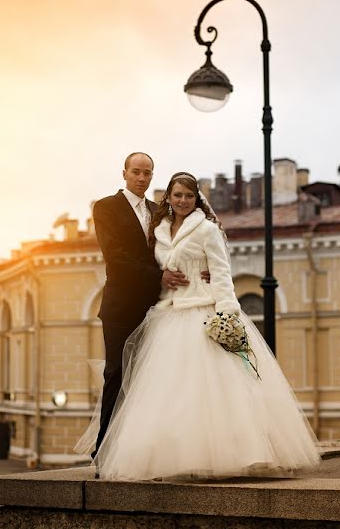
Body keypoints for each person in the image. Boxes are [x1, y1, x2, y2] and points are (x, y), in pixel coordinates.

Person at [83, 171, 320, 481]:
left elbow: (221, 272)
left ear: (197, 200)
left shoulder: (207, 229)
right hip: (168, 313)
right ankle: (169, 457)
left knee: (218, 387)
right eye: (177, 195)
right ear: (168, 197)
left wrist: (227, 312)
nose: (183, 201)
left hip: (202, 310)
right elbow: (143, 264)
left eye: (189, 196)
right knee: (168, 391)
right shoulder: (160, 228)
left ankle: (233, 453)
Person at [89, 153, 192, 461]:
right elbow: (116, 258)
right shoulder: (106, 208)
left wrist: (199, 269)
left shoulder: (157, 210)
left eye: (147, 173)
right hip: (121, 308)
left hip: (157, 307)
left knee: (152, 377)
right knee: (117, 374)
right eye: (136, 172)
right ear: (124, 173)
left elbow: (174, 247)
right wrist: (160, 275)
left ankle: (143, 451)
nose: (142, 178)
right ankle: (103, 451)